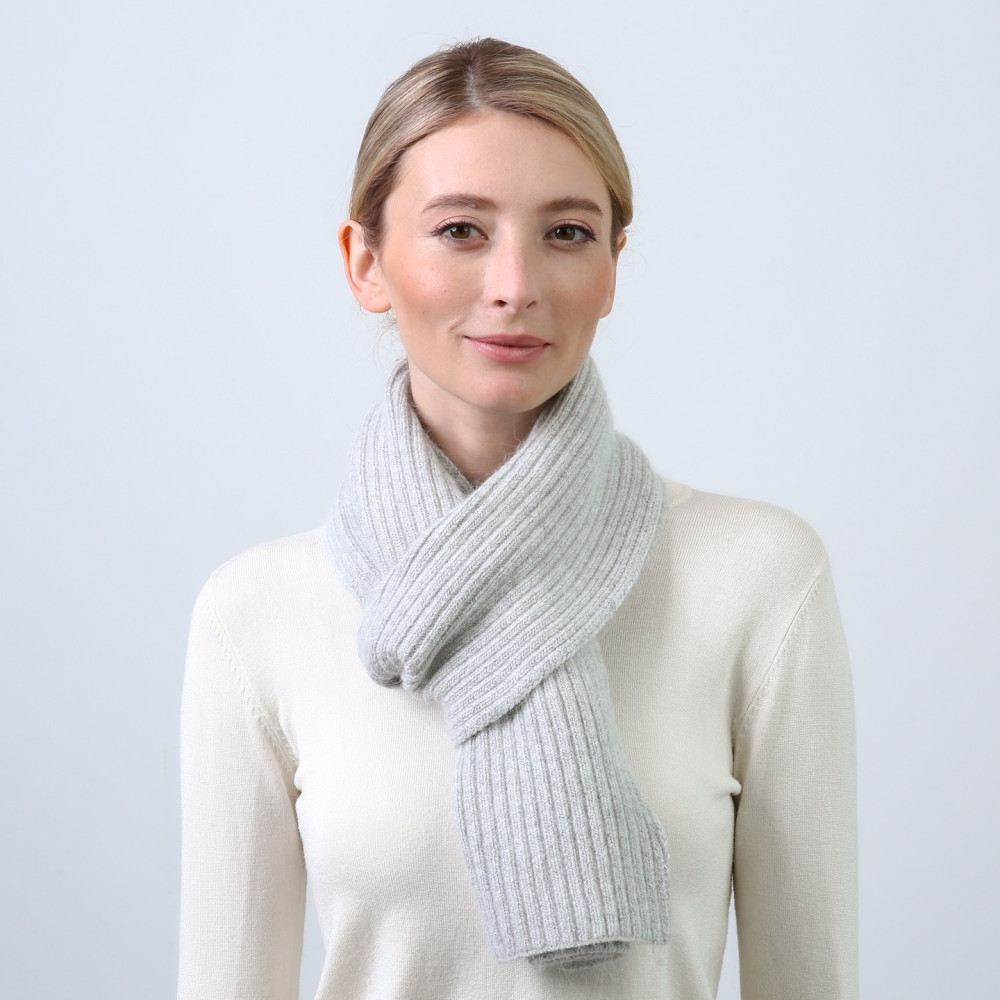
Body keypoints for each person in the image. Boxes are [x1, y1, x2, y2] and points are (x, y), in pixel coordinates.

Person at [177, 37, 857, 1000]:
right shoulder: (256, 613)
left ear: (613, 269)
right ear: (365, 262)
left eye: (567, 233)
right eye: (460, 230)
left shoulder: (758, 577)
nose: (515, 285)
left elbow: (812, 982)